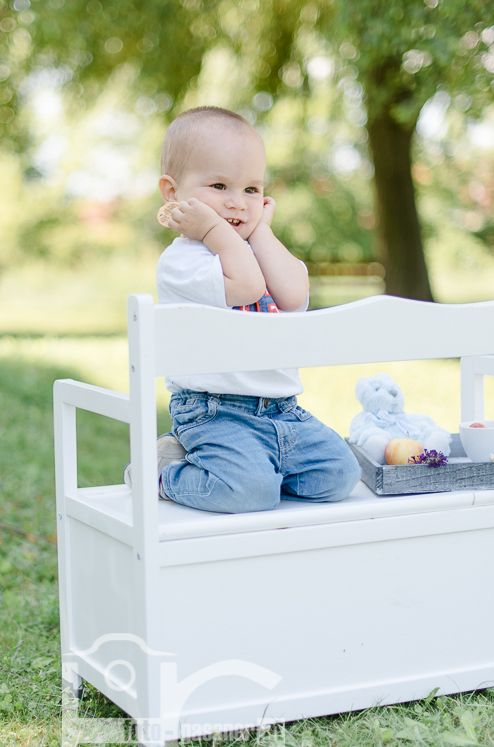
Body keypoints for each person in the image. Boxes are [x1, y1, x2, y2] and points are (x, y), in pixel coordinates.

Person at [126, 105, 361, 512]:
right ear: (172, 192)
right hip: (215, 410)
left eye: (252, 190)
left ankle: (259, 470)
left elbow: (293, 296)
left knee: (341, 474)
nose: (237, 204)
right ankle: (161, 473)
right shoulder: (183, 261)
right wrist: (215, 231)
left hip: (284, 411)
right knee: (249, 493)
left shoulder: (257, 245)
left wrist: (263, 231)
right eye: (219, 186)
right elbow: (247, 285)